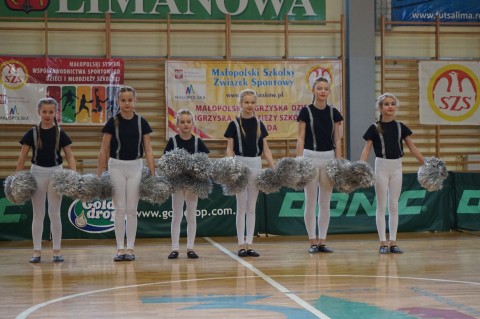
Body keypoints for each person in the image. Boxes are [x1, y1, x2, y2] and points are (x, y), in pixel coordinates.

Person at [360, 93, 424, 254]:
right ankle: (383, 242)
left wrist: (426, 164)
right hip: (381, 166)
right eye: (386, 104)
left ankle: (393, 242)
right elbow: (367, 149)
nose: (390, 106)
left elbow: (412, 147)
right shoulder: (374, 128)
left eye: (393, 104)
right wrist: (360, 166)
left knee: (394, 205)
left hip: (397, 167)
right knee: (381, 206)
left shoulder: (400, 127)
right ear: (380, 108)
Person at [97, 86, 155, 262]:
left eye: (130, 100)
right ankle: (119, 248)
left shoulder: (142, 122)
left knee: (131, 210)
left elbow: (149, 149)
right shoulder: (112, 122)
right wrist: (98, 175)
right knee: (119, 209)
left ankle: (130, 248)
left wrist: (153, 173)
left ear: (135, 101)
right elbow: (103, 149)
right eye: (123, 100)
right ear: (118, 102)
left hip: (136, 166)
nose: (127, 103)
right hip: (116, 166)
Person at [16, 97, 77, 263]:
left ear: (55, 113)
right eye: (44, 112)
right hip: (37, 173)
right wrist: (17, 178)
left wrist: (74, 176)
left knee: (55, 214)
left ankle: (57, 251)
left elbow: (70, 156)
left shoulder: (60, 132)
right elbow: (22, 156)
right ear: (39, 112)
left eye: (51, 112)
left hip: (57, 174)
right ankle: (37, 251)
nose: (48, 115)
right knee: (38, 214)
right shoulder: (32, 133)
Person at [224, 89, 275, 257]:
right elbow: (229, 149)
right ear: (240, 103)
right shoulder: (233, 124)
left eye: (252, 102)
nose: (249, 105)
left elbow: (266, 150)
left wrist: (273, 168)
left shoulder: (260, 124)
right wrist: (232, 166)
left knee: (252, 207)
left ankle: (250, 244)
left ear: (256, 104)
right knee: (241, 206)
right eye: (246, 102)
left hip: (256, 164)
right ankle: (240, 244)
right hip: (239, 163)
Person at [296, 76, 343, 254]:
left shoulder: (334, 113)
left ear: (329, 91)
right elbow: (300, 138)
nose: (323, 91)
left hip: (329, 158)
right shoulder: (305, 112)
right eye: (319, 88)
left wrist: (338, 162)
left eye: (326, 89)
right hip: (309, 157)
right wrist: (299, 160)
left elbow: (337, 139)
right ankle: (312, 241)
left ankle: (322, 240)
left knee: (325, 202)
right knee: (310, 201)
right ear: (313, 90)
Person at [164, 110, 210, 260]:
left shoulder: (198, 142)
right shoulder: (172, 142)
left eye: (188, 122)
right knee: (176, 216)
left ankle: (190, 247)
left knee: (191, 216)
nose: (185, 124)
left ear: (192, 124)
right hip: (177, 184)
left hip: (193, 185)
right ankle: (175, 248)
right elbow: (165, 163)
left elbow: (205, 163)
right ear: (177, 125)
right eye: (182, 122)